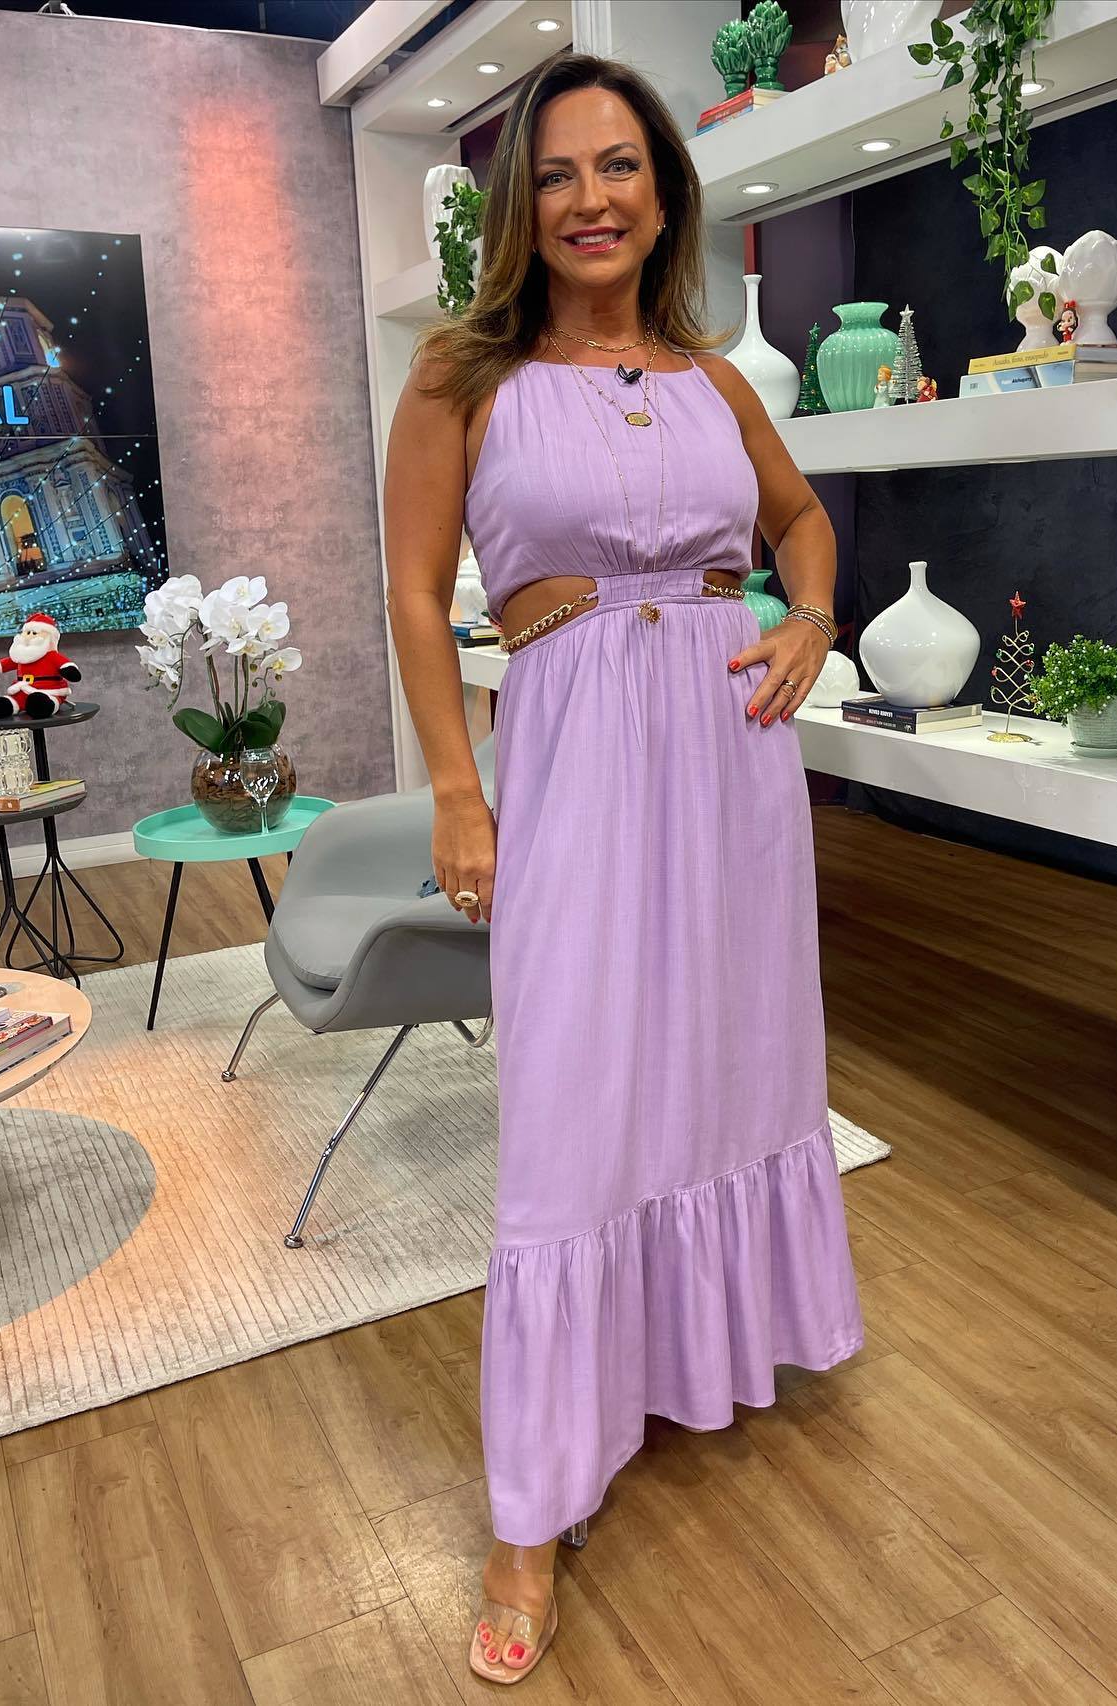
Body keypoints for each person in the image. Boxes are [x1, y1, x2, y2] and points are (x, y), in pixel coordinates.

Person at [383, 49, 865, 1686]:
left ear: (664, 192)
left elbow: (801, 520)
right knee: (574, 1100)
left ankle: (685, 1361)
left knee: (722, 1070)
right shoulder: (465, 376)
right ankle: (530, 1512)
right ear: (523, 207)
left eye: (619, 167)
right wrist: (459, 792)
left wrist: (810, 617)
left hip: (733, 765)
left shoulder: (718, 380)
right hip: (575, 757)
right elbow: (414, 588)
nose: (590, 199)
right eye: (557, 173)